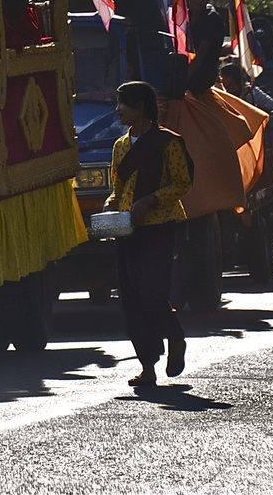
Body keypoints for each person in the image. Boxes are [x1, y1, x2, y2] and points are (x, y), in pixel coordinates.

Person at [103, 82, 194, 388]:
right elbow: (118, 190)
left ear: (140, 107)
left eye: (123, 105)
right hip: (128, 231)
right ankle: (148, 366)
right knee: (130, 301)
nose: (118, 111)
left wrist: (150, 200)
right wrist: (109, 208)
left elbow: (182, 183)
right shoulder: (120, 146)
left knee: (152, 294)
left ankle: (175, 336)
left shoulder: (168, 143)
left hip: (160, 226)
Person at [184, 0, 227, 97]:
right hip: (183, 77)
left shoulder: (212, 19)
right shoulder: (182, 18)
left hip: (203, 81)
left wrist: (183, 81)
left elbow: (201, 53)